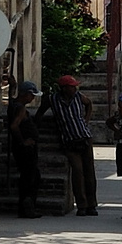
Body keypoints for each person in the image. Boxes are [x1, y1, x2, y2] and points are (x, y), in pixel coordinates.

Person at [37, 74, 98, 215]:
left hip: (84, 138)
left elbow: (88, 104)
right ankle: (81, 205)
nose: (74, 88)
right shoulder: (52, 99)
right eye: (72, 87)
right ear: (64, 88)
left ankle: (92, 205)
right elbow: (39, 113)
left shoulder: (78, 97)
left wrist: (86, 121)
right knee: (77, 172)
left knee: (89, 172)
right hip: (69, 140)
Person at [7, 80, 42, 218]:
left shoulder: (14, 105)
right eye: (31, 95)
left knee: (31, 176)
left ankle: (26, 207)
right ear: (25, 94)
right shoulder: (20, 109)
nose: (33, 98)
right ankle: (27, 207)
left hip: (23, 148)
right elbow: (14, 126)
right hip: (25, 149)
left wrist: (13, 86)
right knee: (30, 177)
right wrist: (23, 142)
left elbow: (11, 96)